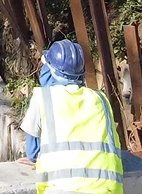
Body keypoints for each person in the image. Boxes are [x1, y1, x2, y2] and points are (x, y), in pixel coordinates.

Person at [21, 39, 123, 193]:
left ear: (51, 70)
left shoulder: (43, 97)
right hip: (108, 189)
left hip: (62, 189)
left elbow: (33, 152)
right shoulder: (100, 99)